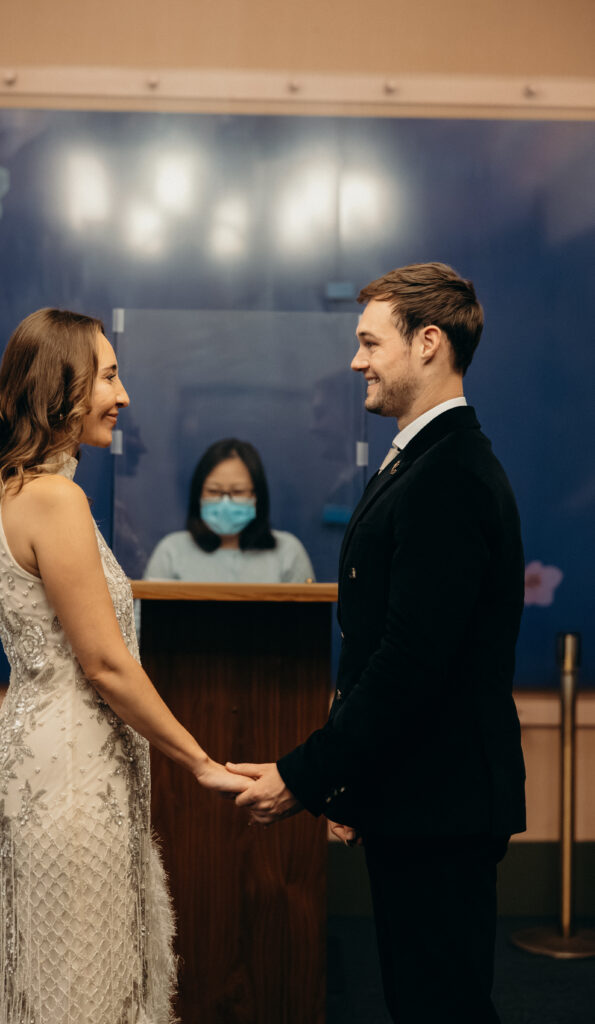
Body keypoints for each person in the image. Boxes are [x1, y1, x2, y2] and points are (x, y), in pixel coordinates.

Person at [228, 263, 526, 1023]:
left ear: (428, 343)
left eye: (369, 343)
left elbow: (408, 662)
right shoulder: (423, 459)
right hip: (418, 794)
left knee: (442, 1007)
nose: (356, 361)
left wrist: (307, 775)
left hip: (443, 804)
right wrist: (355, 784)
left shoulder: (449, 472)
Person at [0, 308, 246, 1024]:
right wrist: (199, 761)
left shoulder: (22, 489)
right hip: (66, 770)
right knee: (83, 983)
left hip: (43, 757)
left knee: (62, 976)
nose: (123, 398)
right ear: (62, 385)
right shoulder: (56, 498)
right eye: (109, 377)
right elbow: (105, 664)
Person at [143, 438, 315, 583]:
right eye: (213, 491)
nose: (225, 502)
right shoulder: (171, 552)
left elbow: (311, 621)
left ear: (256, 496)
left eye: (237, 492)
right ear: (199, 495)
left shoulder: (288, 553)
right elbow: (141, 619)